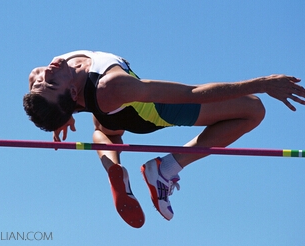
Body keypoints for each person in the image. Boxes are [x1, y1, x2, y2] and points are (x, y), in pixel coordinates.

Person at [23, 50, 305, 228]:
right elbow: (191, 93)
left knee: (106, 130)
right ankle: (165, 169)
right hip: (146, 114)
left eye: (41, 82)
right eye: (51, 83)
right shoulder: (114, 86)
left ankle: (113, 168)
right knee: (253, 109)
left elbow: (39, 89)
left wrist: (63, 115)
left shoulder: (40, 74)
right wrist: (264, 84)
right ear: (72, 94)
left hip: (107, 111)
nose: (45, 73)